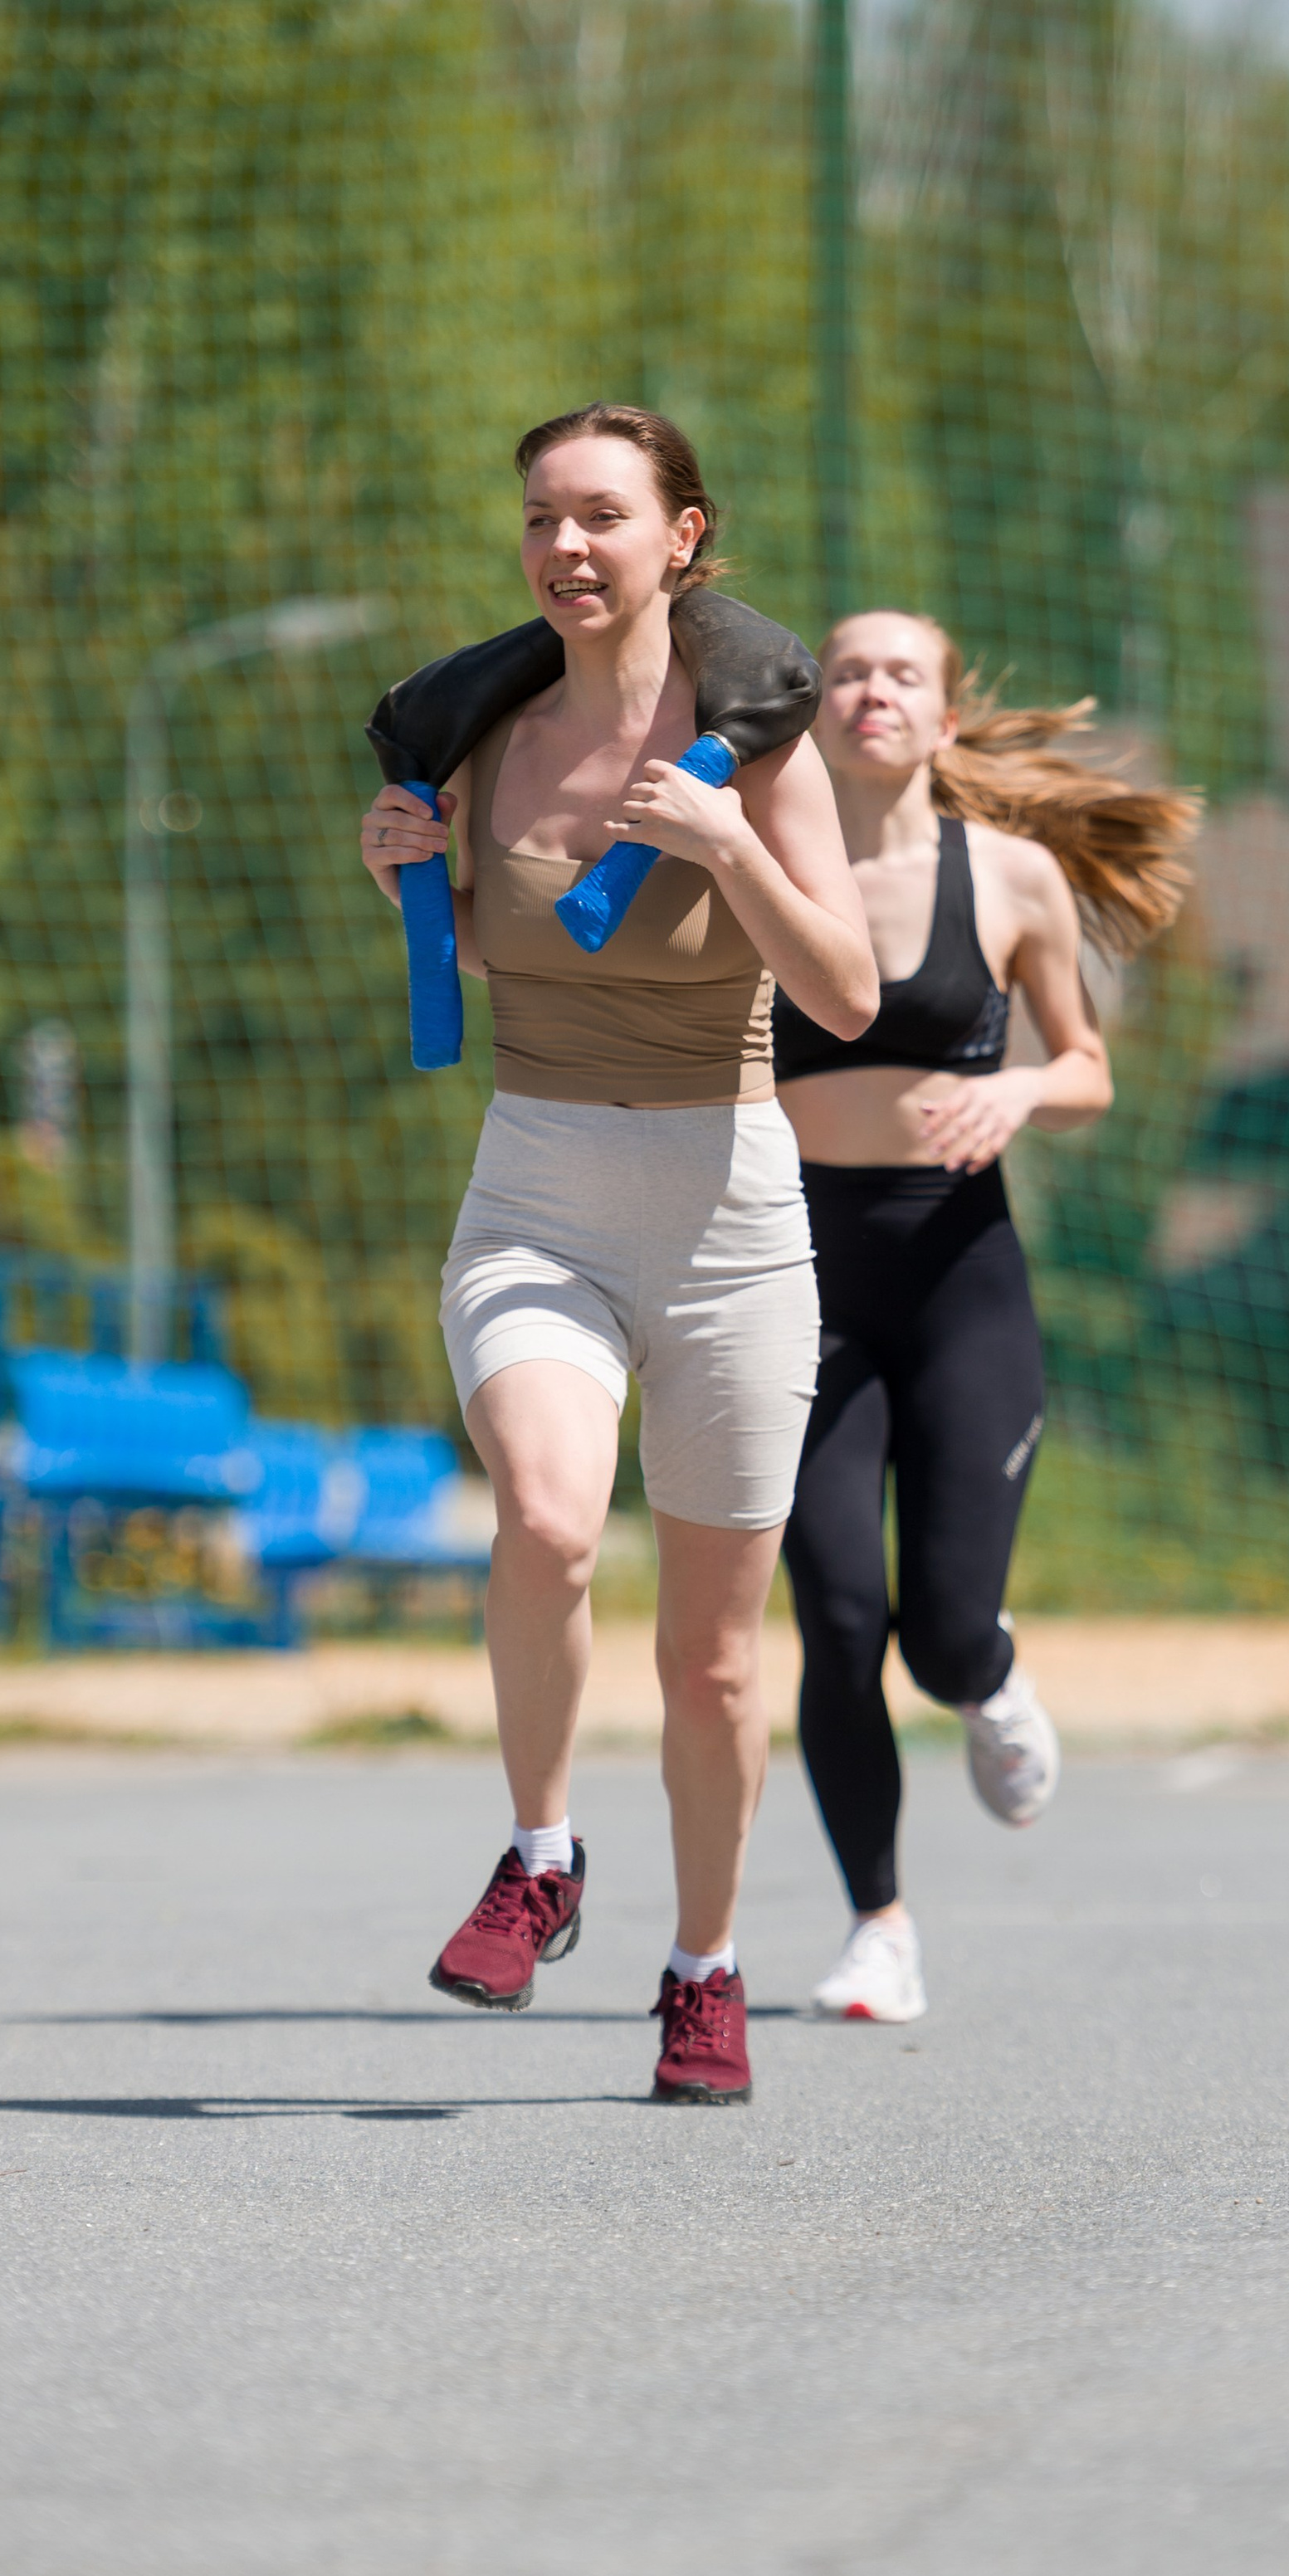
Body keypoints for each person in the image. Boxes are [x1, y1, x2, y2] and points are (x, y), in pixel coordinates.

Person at [359, 407, 876, 2104]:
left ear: (681, 535)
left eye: (599, 516)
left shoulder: (755, 747)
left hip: (730, 1216)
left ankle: (703, 1969)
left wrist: (724, 840)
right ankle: (539, 1852)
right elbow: (488, 966)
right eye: (538, 520)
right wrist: (404, 887)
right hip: (540, 1191)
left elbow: (845, 996)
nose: (564, 548)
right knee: (547, 1518)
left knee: (715, 1655)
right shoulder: (478, 737)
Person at [774, 609, 1197, 2025]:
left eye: (902, 673)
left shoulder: (1009, 878)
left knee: (941, 1636)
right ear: (815, 709)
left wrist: (1016, 1090)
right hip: (798, 1281)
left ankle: (994, 1679)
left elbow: (1086, 1069)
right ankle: (878, 1926)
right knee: (837, 1622)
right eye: (846, 669)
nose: (871, 689)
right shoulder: (764, 873)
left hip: (961, 1280)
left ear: (944, 721)